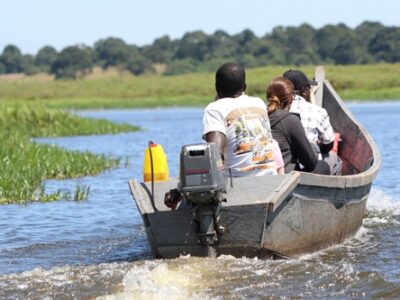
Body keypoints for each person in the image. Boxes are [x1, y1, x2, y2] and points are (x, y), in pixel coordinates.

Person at [202, 62, 281, 177]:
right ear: (244, 87)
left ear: (217, 88)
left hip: (237, 182)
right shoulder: (258, 103)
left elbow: (214, 153)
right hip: (270, 178)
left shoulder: (215, 109)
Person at [283, 69, 342, 175]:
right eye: (309, 88)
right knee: (335, 160)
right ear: (304, 91)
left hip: (285, 165)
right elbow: (328, 144)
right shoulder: (317, 111)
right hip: (311, 166)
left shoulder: (273, 111)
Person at [266, 77, 330, 174]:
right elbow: (310, 162)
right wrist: (312, 144)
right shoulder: (290, 120)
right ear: (291, 99)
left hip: (266, 173)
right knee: (322, 166)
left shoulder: (261, 116)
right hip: (285, 177)